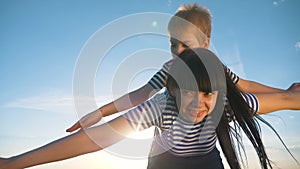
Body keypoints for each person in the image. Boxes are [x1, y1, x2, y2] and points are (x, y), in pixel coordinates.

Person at [1, 48, 300, 169]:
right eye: (189, 94)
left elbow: (289, 100)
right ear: (172, 89)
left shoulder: (227, 104)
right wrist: (13, 163)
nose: (199, 104)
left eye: (207, 94)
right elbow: (94, 139)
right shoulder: (161, 105)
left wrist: (290, 92)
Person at [66, 3, 298, 134]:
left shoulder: (216, 69)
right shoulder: (169, 70)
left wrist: (286, 92)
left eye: (185, 44)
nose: (177, 51)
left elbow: (245, 86)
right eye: (172, 44)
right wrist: (100, 113)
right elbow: (138, 95)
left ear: (205, 43)